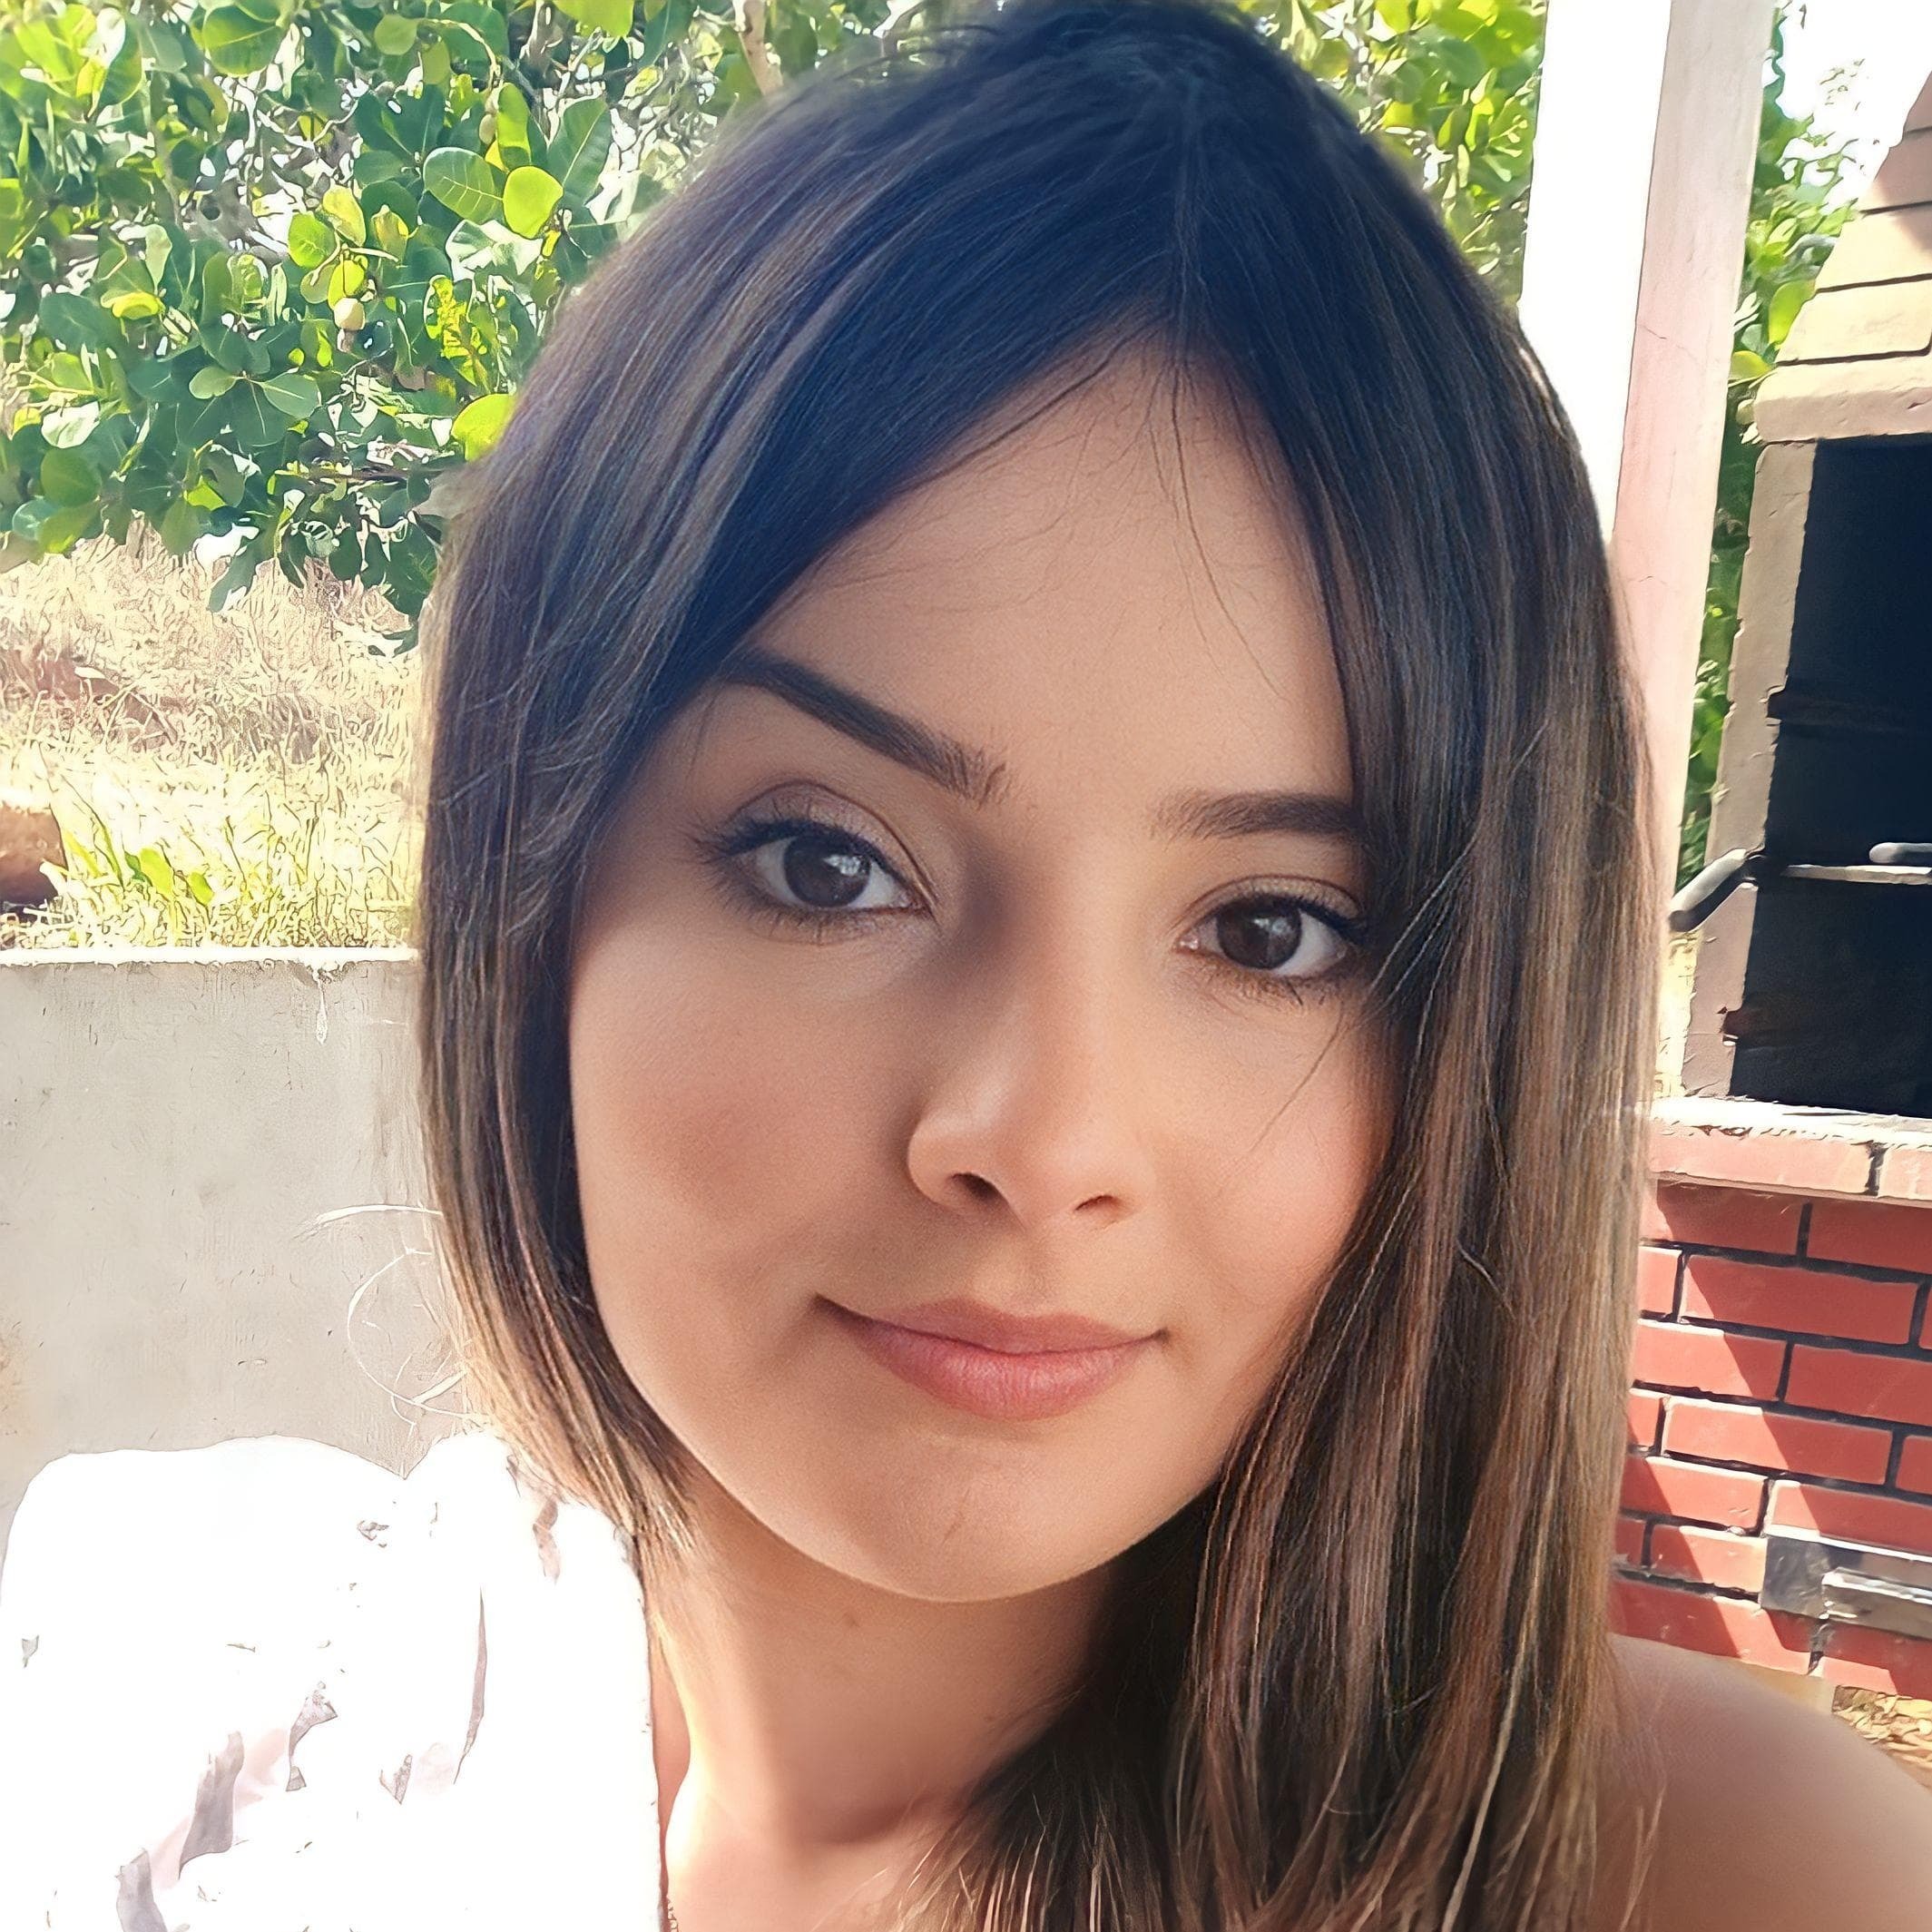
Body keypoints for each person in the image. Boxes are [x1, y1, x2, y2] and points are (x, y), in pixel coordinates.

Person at [4, 1, 1930, 1927]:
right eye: (828, 863)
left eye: (1270, 930)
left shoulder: (1716, 1877)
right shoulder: (177, 1708)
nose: (1040, 1138)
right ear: (533, 889)